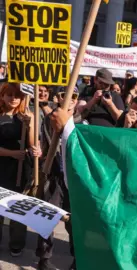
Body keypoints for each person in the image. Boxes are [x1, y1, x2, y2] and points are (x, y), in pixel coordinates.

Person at [37, 87, 81, 270]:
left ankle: (76, 258)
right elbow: (45, 147)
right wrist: (40, 153)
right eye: (64, 95)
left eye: (74, 96)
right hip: (54, 177)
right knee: (46, 217)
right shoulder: (48, 120)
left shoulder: (83, 122)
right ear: (58, 98)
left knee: (75, 222)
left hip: (74, 180)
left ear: (77, 100)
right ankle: (44, 258)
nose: (69, 98)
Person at [0, 83, 42, 257]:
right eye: (9, 95)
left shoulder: (27, 115)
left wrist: (30, 125)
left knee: (18, 207)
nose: (13, 99)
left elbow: (33, 144)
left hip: (20, 170)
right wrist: (11, 153)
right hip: (2, 168)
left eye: (17, 95)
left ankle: (16, 243)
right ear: (2, 96)